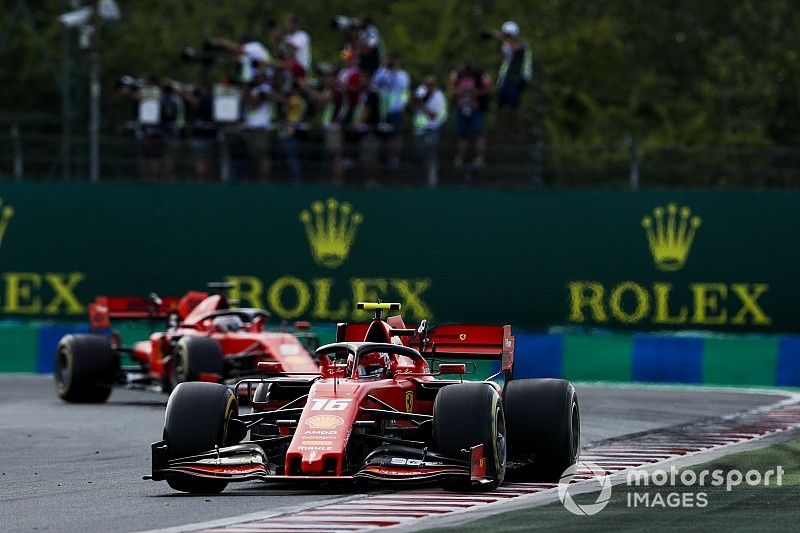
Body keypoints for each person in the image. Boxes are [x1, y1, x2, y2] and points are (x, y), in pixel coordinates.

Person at [487, 21, 532, 140]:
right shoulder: (505, 45)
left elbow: (517, 48)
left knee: (515, 105)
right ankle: (498, 127)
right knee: (500, 103)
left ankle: (518, 129)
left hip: (517, 78)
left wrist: (501, 37)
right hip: (506, 78)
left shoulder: (522, 43)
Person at [449, 60, 493, 170]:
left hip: (476, 109)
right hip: (462, 108)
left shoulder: (481, 76)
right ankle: (459, 158)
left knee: (478, 135)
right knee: (462, 135)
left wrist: (475, 93)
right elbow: (451, 89)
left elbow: (489, 89)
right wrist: (460, 92)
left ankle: (479, 158)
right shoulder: (457, 75)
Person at [372, 52, 411, 169]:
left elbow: (401, 86)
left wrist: (393, 72)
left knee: (395, 134)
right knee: (381, 135)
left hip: (396, 109)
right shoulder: (382, 72)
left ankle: (394, 158)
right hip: (382, 110)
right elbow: (375, 82)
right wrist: (384, 68)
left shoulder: (403, 75)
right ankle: (381, 158)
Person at [241, 71, 279, 181]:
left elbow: (254, 104)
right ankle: (255, 179)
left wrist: (248, 91)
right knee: (253, 157)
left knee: (263, 156)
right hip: (250, 129)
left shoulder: (266, 89)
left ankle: (265, 180)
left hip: (261, 129)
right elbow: (245, 103)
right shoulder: (254, 89)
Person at [412, 75, 447, 187]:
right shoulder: (420, 91)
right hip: (419, 128)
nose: (428, 86)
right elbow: (413, 105)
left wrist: (423, 107)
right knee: (418, 151)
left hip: (433, 129)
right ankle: (418, 177)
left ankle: (432, 180)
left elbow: (437, 115)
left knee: (431, 153)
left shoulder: (439, 96)